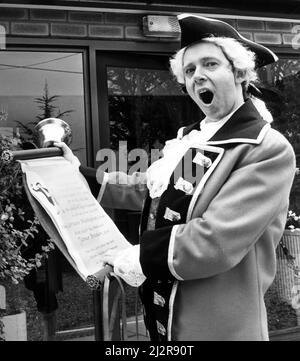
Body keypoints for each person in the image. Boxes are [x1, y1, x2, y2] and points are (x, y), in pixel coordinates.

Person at [55, 14, 296, 341]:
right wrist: (79, 175)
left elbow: (216, 241)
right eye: (190, 70)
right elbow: (159, 195)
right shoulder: (197, 138)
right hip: (164, 321)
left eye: (210, 64)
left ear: (239, 72)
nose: (198, 76)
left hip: (220, 326)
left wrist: (136, 256)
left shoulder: (265, 148)